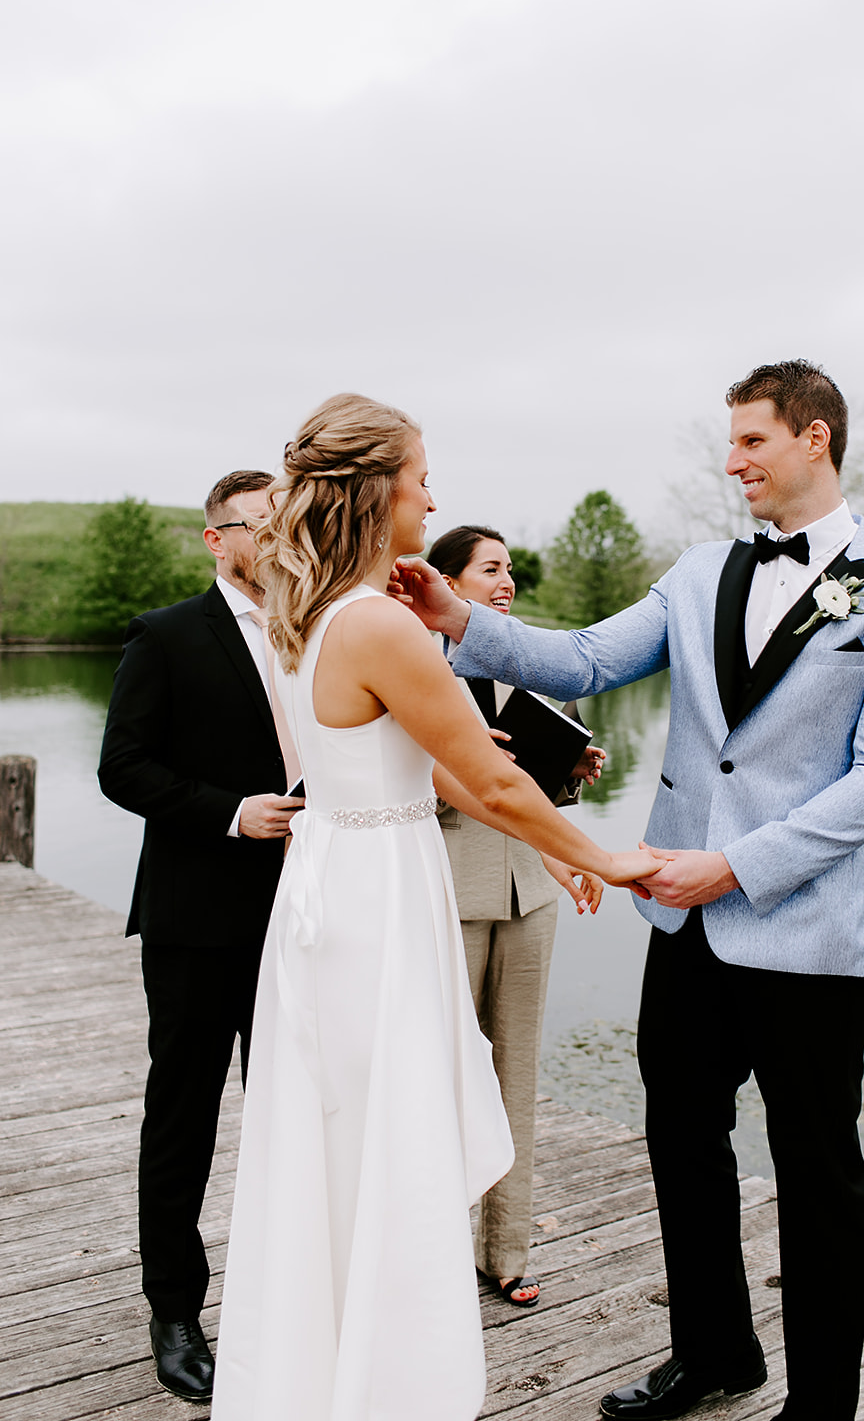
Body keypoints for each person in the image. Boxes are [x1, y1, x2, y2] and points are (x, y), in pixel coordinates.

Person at [396, 360, 864, 1421]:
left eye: (750, 438)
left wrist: (735, 865)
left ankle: (820, 1406)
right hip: (683, 926)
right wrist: (456, 620)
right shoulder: (698, 574)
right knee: (681, 1143)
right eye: (731, 438)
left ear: (813, 440)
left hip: (808, 935)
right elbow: (582, 659)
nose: (732, 457)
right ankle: (712, 1354)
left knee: (816, 1170)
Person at [209, 394, 657, 1421]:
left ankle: (323, 1373)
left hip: (333, 890)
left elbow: (459, 770)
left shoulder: (313, 611)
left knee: (341, 1142)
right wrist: (607, 857)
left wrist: (561, 848)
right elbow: (492, 784)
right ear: (377, 494)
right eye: (420, 477)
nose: (432, 495)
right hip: (379, 908)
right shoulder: (376, 625)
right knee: (393, 1142)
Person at [98, 469, 304, 1402]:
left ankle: (290, 1300)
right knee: (183, 1116)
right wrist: (230, 813)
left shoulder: (320, 630)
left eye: (286, 522)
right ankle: (174, 1311)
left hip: (305, 914)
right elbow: (121, 767)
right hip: (196, 920)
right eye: (260, 526)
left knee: (295, 1112)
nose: (278, 539)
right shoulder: (168, 635)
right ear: (217, 539)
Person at [427, 524, 607, 1310]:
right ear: (447, 583)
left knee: (515, 1075)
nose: (505, 584)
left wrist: (572, 775)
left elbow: (544, 801)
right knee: (440, 1079)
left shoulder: (541, 671)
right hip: (444, 892)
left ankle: (506, 1251)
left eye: (510, 572)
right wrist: (459, 773)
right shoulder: (411, 669)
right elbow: (386, 786)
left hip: (529, 894)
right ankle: (430, 1251)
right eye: (489, 570)